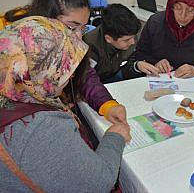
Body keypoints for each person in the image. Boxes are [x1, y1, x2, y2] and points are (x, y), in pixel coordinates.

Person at [0, 16, 131, 192]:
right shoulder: (40, 127)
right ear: (46, 70)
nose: (70, 76)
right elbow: (98, 184)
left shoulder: (14, 89)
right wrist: (115, 136)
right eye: (65, 68)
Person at [2, 0, 127, 128]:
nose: (79, 36)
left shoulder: (70, 43)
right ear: (47, 21)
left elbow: (85, 74)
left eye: (83, 27)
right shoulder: (19, 47)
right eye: (71, 27)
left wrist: (107, 104)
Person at [83, 3, 141, 83]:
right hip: (95, 83)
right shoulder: (89, 46)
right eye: (126, 40)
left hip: (114, 75)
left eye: (134, 37)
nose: (133, 42)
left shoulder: (129, 35)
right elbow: (86, 80)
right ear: (108, 39)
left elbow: (130, 61)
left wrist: (136, 66)